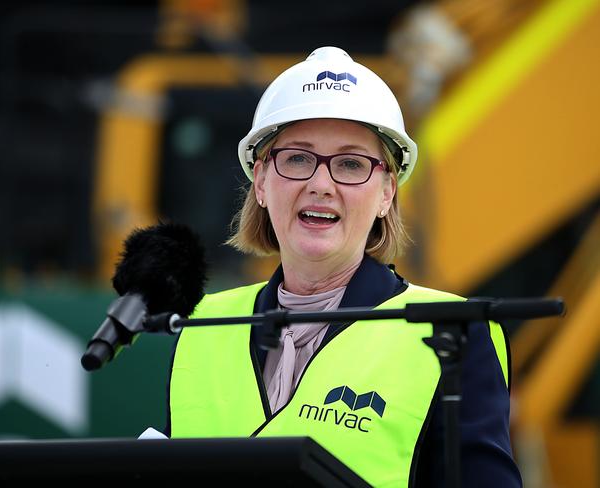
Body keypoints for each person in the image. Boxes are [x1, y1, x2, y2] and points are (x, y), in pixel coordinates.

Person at [165, 46, 521, 487]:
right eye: (297, 158)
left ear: (387, 192)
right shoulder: (204, 324)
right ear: (260, 180)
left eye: (351, 164)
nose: (321, 184)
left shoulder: (453, 332)